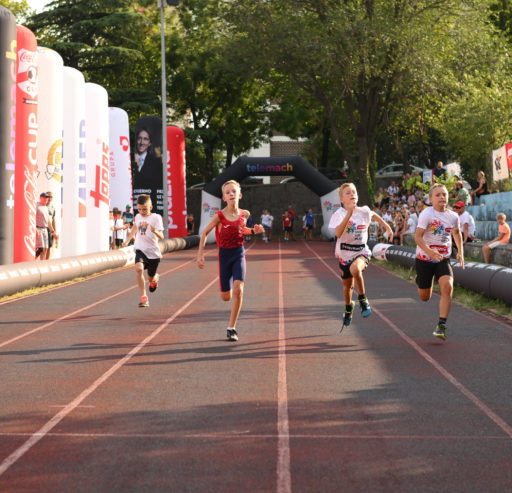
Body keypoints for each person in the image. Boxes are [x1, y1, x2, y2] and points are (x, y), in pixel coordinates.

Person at [197, 180, 264, 341]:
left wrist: (254, 231)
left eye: (233, 191)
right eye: (228, 192)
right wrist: (200, 254)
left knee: (239, 290)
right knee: (226, 297)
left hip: (239, 253)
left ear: (239, 195)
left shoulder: (244, 214)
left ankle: (231, 328)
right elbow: (205, 233)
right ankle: (227, 296)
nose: (231, 194)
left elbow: (243, 230)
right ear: (224, 198)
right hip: (224, 256)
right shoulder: (219, 216)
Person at [328, 183, 393, 330]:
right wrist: (349, 214)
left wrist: (387, 227)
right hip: (344, 254)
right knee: (347, 288)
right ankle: (348, 306)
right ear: (342, 199)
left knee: (355, 269)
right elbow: (338, 233)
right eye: (348, 193)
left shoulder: (364, 211)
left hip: (361, 252)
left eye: (354, 192)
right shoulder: (338, 215)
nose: (352, 195)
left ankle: (363, 299)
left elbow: (374, 215)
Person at [414, 183, 464, 341]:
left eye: (444, 194)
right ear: (430, 199)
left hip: (443, 258)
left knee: (448, 286)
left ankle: (441, 324)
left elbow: (457, 234)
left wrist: (461, 252)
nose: (442, 197)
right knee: (424, 297)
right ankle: (420, 280)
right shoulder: (426, 214)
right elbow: (417, 237)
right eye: (438, 195)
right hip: (424, 259)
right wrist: (429, 252)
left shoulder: (453, 216)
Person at [122, 194, 164, 307]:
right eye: (139, 209)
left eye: (144, 209)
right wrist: (127, 241)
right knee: (139, 269)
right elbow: (135, 228)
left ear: (150, 207)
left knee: (150, 277)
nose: (142, 211)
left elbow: (162, 237)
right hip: (140, 249)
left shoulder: (156, 218)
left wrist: (155, 231)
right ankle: (144, 297)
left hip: (153, 253)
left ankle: (155, 279)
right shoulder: (138, 217)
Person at [132, 128, 163, 208]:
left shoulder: (155, 161)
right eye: (139, 138)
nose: (141, 143)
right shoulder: (130, 159)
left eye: (145, 139)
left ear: (149, 143)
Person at [35, 193, 58, 260]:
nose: (46, 199)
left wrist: (53, 232)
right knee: (40, 248)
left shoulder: (45, 208)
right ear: (40, 198)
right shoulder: (37, 206)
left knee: (45, 249)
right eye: (44, 197)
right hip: (38, 228)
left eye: (47, 198)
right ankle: (32, 261)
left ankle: (42, 265)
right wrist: (35, 229)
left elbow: (48, 221)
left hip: (45, 229)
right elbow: (32, 217)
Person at [45, 191, 57, 258]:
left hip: (50, 230)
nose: (49, 198)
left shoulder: (52, 208)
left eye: (51, 197)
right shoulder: (41, 206)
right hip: (42, 229)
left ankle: (46, 262)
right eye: (48, 197)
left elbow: (53, 220)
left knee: (49, 247)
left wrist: (55, 231)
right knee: (43, 248)